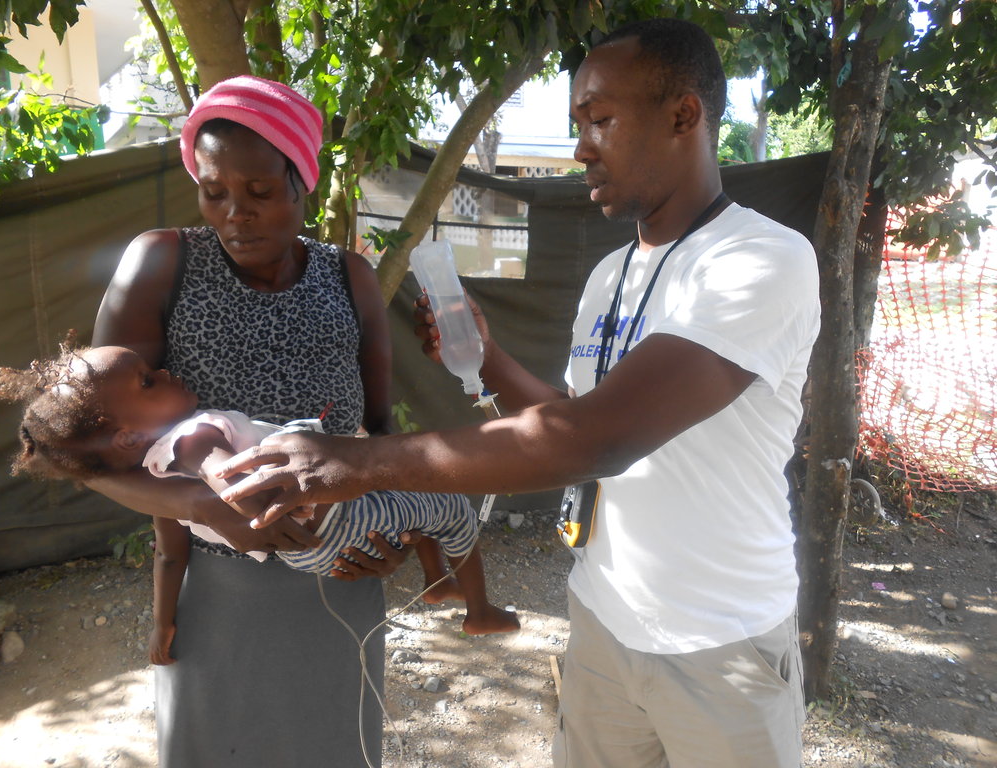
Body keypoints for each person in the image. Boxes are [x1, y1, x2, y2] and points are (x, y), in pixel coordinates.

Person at [219, 19, 820, 768]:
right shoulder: (612, 277)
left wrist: (354, 463)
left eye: (600, 119)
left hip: (721, 646)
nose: (581, 148)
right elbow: (565, 427)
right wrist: (490, 359)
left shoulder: (761, 259)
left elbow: (600, 437)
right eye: (578, 124)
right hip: (604, 620)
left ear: (683, 116)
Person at [81, 75, 423, 767]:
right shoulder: (162, 265)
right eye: (214, 193)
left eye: (260, 192)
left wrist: (402, 527)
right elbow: (91, 451)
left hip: (342, 574)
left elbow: (382, 435)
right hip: (218, 587)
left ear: (303, 185)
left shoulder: (349, 278)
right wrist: (209, 505)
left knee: (334, 745)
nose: (235, 213)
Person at [0, 343, 519, 641]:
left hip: (308, 551)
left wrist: (165, 621)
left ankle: (435, 583)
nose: (164, 370)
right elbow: (220, 472)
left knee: (416, 510)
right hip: (321, 520)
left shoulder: (155, 467)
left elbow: (178, 543)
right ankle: (479, 608)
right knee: (449, 504)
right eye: (148, 381)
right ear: (126, 435)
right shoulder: (190, 437)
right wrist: (260, 504)